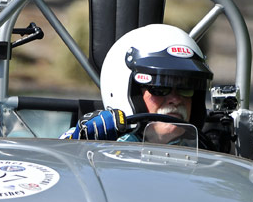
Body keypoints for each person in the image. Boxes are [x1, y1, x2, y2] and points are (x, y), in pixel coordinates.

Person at [61, 24, 215, 146]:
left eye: (185, 88)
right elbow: (59, 163)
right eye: (160, 88)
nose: (175, 99)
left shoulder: (209, 155)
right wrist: (81, 144)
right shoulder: (94, 143)